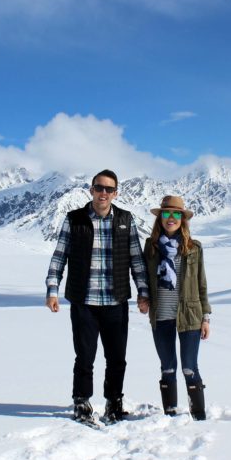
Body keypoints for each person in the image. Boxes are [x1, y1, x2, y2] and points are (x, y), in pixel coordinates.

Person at [46, 169, 150, 423]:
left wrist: (143, 291)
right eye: (99, 188)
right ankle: (81, 401)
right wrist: (52, 289)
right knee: (84, 356)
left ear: (116, 193)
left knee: (117, 357)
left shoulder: (126, 220)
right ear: (91, 190)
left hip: (116, 301)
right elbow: (60, 256)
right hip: (84, 301)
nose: (103, 193)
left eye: (108, 189)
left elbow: (136, 259)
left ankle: (114, 401)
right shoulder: (75, 219)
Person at [143, 195, 212, 420]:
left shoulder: (193, 248)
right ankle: (170, 415)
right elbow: (143, 277)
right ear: (160, 218)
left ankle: (199, 416)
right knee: (167, 368)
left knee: (189, 367)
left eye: (175, 214)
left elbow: (201, 284)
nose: (170, 218)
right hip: (161, 314)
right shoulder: (151, 247)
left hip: (190, 315)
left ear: (182, 219)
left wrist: (206, 317)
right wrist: (142, 297)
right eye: (166, 214)